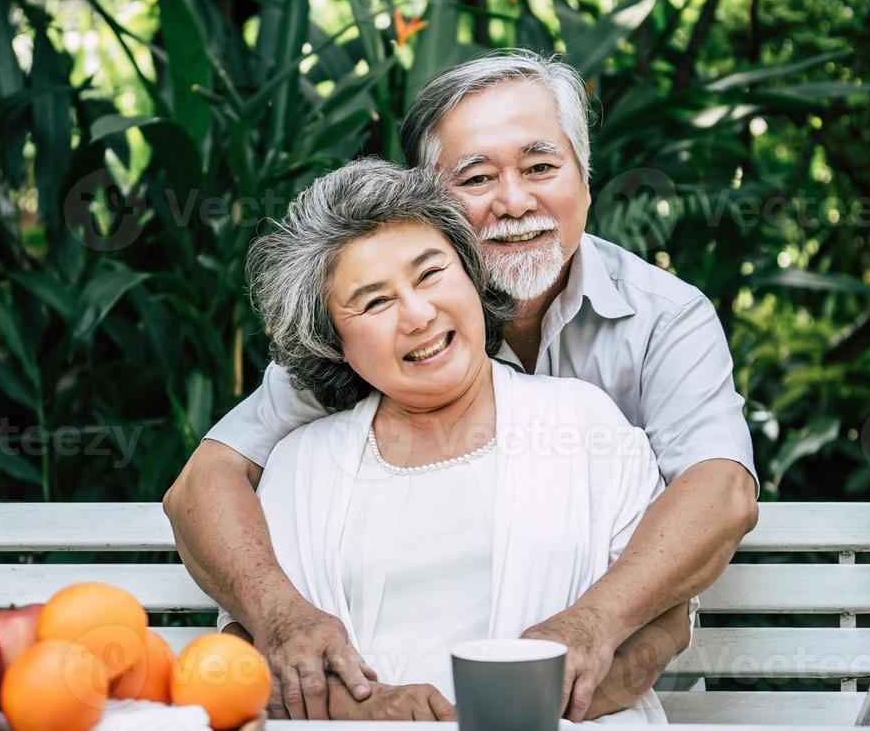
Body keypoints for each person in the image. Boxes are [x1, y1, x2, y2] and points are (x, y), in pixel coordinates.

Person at [166, 49, 759, 721]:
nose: (514, 201)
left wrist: (588, 629)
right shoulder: (354, 351)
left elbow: (721, 491)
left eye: (540, 167)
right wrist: (284, 620)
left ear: (586, 180)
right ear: (428, 201)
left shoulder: (659, 322)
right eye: (476, 177)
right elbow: (204, 484)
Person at [227, 159, 669, 722]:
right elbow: (251, 651)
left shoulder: (585, 425)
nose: (418, 314)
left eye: (431, 273)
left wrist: (510, 715)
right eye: (374, 302)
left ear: (471, 274)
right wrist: (368, 712)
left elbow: (666, 626)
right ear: (335, 342)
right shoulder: (301, 464)